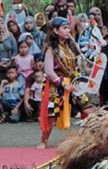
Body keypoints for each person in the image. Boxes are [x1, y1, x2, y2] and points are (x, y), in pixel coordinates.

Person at [38, 17, 79, 149]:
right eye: (64, 28)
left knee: (88, 107)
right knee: (52, 114)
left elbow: (80, 62)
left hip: (72, 81)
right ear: (56, 30)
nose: (68, 31)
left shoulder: (71, 46)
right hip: (56, 83)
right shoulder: (51, 49)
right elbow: (49, 71)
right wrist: (62, 84)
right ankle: (44, 140)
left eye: (68, 28)